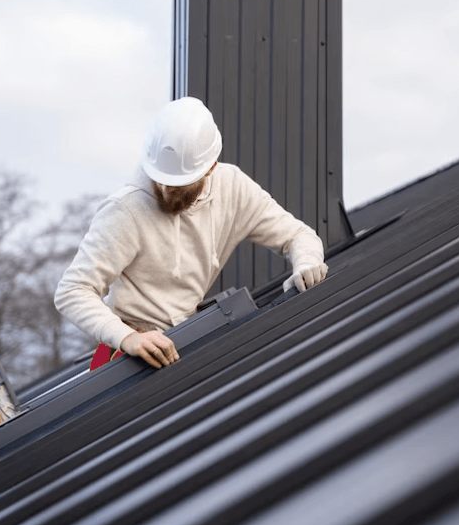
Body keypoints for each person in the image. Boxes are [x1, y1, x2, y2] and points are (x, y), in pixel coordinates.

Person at [55, 96, 328, 370]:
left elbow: (298, 236)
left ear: (210, 167)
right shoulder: (125, 209)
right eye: (161, 180)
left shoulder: (233, 189)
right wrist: (129, 338)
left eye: (179, 185)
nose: (165, 191)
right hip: (124, 353)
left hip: (183, 342)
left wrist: (307, 263)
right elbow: (73, 290)